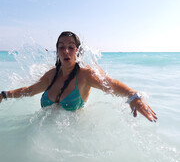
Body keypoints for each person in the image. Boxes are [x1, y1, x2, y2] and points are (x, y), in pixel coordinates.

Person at [0, 31, 157, 122]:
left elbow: (110, 84)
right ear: (57, 51)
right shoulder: (51, 74)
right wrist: (4, 95)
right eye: (61, 47)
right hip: (42, 135)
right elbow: (29, 90)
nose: (66, 51)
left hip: (73, 138)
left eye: (70, 47)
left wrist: (133, 96)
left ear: (78, 51)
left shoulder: (85, 75)